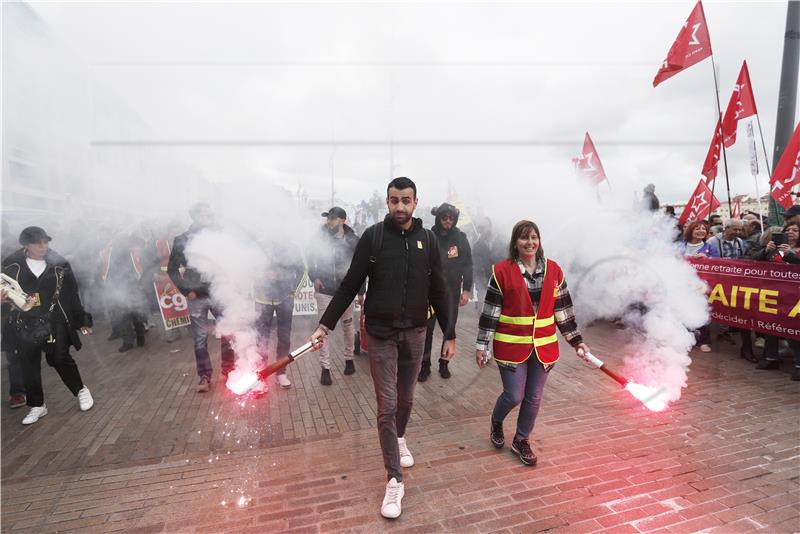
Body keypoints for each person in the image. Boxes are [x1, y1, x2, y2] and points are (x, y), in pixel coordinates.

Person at [308, 177, 456, 519]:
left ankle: (399, 439)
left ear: (416, 202)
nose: (400, 206)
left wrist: (450, 333)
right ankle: (394, 479)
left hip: (416, 332)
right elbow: (349, 285)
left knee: (406, 400)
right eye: (394, 200)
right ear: (387, 202)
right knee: (387, 405)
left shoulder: (428, 240)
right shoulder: (373, 238)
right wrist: (324, 325)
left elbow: (439, 288)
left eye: (406, 200)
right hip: (380, 334)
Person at [475, 220, 590, 466]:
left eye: (534, 237)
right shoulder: (502, 271)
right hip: (510, 346)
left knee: (534, 397)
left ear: (539, 241)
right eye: (524, 238)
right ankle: (497, 421)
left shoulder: (555, 270)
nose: (530, 243)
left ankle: (521, 439)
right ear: (515, 243)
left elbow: (563, 312)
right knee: (514, 395)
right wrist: (482, 345)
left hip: (544, 347)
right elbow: (490, 313)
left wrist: (576, 342)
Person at [1, 227, 94, 425]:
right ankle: (37, 406)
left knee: (60, 357)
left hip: (55, 318)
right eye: (38, 243)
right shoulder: (10, 264)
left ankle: (81, 390)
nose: (43, 246)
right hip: (23, 320)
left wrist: (82, 319)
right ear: (26, 245)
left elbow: (72, 293)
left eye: (45, 242)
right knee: (29, 364)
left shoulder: (59, 263)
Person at [168, 203, 235, 392]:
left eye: (209, 213)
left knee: (227, 333)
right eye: (203, 214)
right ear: (194, 216)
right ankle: (204, 376)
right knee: (199, 338)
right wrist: (185, 289)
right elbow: (172, 269)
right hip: (196, 296)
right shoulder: (182, 239)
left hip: (219, 292)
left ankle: (229, 371)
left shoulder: (219, 236)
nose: (207, 217)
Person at [308, 207, 363, 385]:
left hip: (345, 291)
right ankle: (325, 368)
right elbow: (309, 255)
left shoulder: (353, 240)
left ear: (342, 220)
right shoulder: (319, 237)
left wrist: (361, 290)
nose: (328, 222)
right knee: (323, 330)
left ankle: (349, 360)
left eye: (332, 219)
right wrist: (314, 276)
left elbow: (361, 267)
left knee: (348, 326)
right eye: (328, 219)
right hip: (324, 290)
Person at [419, 202, 472, 381]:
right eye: (444, 217)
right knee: (427, 330)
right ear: (438, 218)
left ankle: (444, 363)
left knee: (448, 329)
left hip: (451, 294)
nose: (448, 220)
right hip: (430, 293)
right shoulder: (429, 236)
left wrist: (466, 290)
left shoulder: (460, 238)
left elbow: (468, 265)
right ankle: (425, 366)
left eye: (451, 218)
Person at [750, 222, 800, 379]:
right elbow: (752, 262)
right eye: (788, 230)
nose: (791, 232)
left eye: (795, 230)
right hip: (773, 295)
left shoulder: (795, 251)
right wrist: (765, 251)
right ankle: (771, 357)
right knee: (771, 326)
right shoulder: (774, 250)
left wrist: (790, 254)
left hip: (795, 298)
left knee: (793, 329)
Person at [254, 239, 305, 390]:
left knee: (284, 338)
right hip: (262, 299)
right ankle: (260, 375)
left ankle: (281, 373)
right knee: (261, 339)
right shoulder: (259, 245)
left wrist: (293, 291)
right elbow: (247, 268)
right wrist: (264, 275)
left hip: (284, 299)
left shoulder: (292, 247)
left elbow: (303, 270)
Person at [676, 221, 718, 354]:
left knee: (701, 310)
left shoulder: (709, 247)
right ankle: (683, 337)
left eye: (704, 229)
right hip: (681, 283)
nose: (701, 231)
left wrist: (707, 259)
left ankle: (703, 341)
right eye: (697, 229)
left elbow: (718, 263)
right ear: (690, 231)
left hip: (700, 285)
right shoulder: (680, 246)